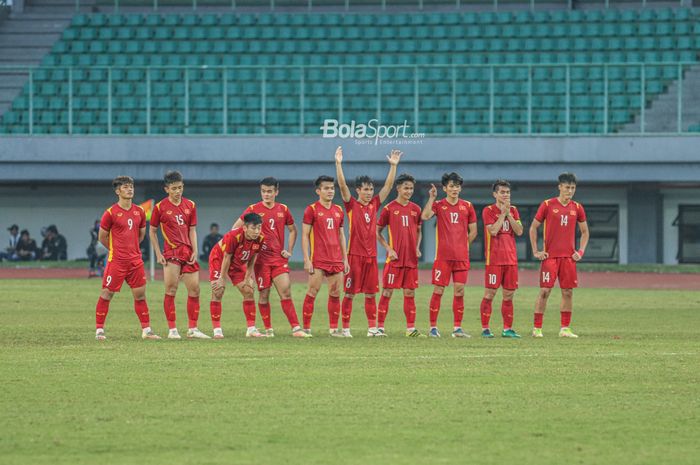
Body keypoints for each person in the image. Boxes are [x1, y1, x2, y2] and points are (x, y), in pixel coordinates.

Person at [335, 146, 401, 337]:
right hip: (354, 255)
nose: (369, 193)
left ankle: (373, 329)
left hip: (371, 256)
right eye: (365, 189)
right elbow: (342, 186)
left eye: (371, 189)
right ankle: (345, 330)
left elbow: (388, 187)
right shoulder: (351, 205)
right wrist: (338, 164)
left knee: (371, 293)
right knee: (349, 293)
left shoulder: (374, 205)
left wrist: (393, 167)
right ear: (358, 190)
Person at [232, 177, 309, 338]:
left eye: (269, 191)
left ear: (276, 192)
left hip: (278, 259)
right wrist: (247, 249)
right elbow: (235, 229)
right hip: (260, 261)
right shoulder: (253, 209)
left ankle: (296, 328)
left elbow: (293, 230)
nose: (266, 194)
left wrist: (288, 250)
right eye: (263, 191)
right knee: (264, 295)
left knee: (286, 291)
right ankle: (268, 329)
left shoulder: (283, 209)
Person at [94, 176, 160, 340]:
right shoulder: (110, 213)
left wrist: (131, 250)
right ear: (118, 191)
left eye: (131, 186)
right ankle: (99, 330)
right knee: (107, 293)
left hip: (135, 261)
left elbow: (141, 235)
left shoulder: (139, 211)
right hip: (116, 261)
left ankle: (146, 330)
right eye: (125, 187)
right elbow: (102, 237)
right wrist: (115, 250)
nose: (130, 189)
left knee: (140, 295)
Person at [149, 170, 208, 340]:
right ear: (166, 189)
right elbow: (152, 232)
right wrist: (158, 253)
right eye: (174, 188)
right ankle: (172, 330)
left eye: (180, 188)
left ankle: (193, 328)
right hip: (171, 252)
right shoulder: (160, 207)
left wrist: (195, 250)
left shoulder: (191, 205)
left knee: (195, 289)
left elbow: (192, 229)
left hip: (188, 252)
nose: (178, 191)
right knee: (171, 289)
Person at [529, 172, 590, 338]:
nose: (569, 191)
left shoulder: (577, 208)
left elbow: (585, 232)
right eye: (567, 187)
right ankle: (537, 328)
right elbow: (533, 227)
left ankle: (565, 328)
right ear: (560, 187)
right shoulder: (548, 205)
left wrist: (580, 251)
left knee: (568, 292)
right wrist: (536, 251)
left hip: (568, 258)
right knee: (545, 291)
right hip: (550, 257)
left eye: (572, 188)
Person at [421, 172, 478, 338]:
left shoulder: (467, 206)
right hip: (443, 258)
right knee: (438, 290)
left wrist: (464, 246)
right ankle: (433, 328)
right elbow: (424, 216)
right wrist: (431, 198)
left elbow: (473, 230)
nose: (455, 189)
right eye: (451, 186)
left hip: (461, 257)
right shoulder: (439, 205)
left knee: (459, 291)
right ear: (445, 188)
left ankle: (457, 329)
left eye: (457, 186)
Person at [301, 175, 350, 337]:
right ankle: (306, 328)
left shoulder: (338, 210)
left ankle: (334, 329)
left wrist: (345, 258)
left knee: (335, 293)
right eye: (326, 188)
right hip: (318, 259)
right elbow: (305, 235)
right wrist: (307, 259)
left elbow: (342, 235)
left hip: (336, 259)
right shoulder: (311, 209)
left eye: (331, 188)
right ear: (318, 191)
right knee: (312, 291)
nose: (330, 191)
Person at [376, 173, 424, 337]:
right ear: (398, 188)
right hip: (394, 260)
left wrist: (417, 248)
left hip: (410, 260)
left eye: (411, 188)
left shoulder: (416, 209)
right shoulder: (389, 208)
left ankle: (410, 329)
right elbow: (377, 232)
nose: (409, 191)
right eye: (406, 188)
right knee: (387, 292)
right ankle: (380, 328)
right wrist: (388, 248)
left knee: (410, 293)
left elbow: (419, 231)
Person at [209, 213, 266, 339]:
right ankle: (217, 330)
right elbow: (226, 257)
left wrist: (247, 277)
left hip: (238, 263)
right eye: (253, 228)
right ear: (245, 228)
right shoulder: (234, 236)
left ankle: (251, 329)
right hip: (219, 259)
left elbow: (253, 257)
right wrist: (222, 279)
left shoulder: (260, 238)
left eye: (259, 228)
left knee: (249, 291)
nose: (257, 231)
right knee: (218, 291)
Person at [480, 180, 524, 338]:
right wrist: (503, 214)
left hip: (511, 260)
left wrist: (509, 214)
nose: (506, 195)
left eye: (508, 192)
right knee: (490, 293)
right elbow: (493, 231)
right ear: (495, 194)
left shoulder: (514, 210)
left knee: (509, 295)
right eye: (502, 192)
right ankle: (485, 328)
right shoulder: (488, 210)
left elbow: (519, 231)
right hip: (494, 259)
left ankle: (507, 329)